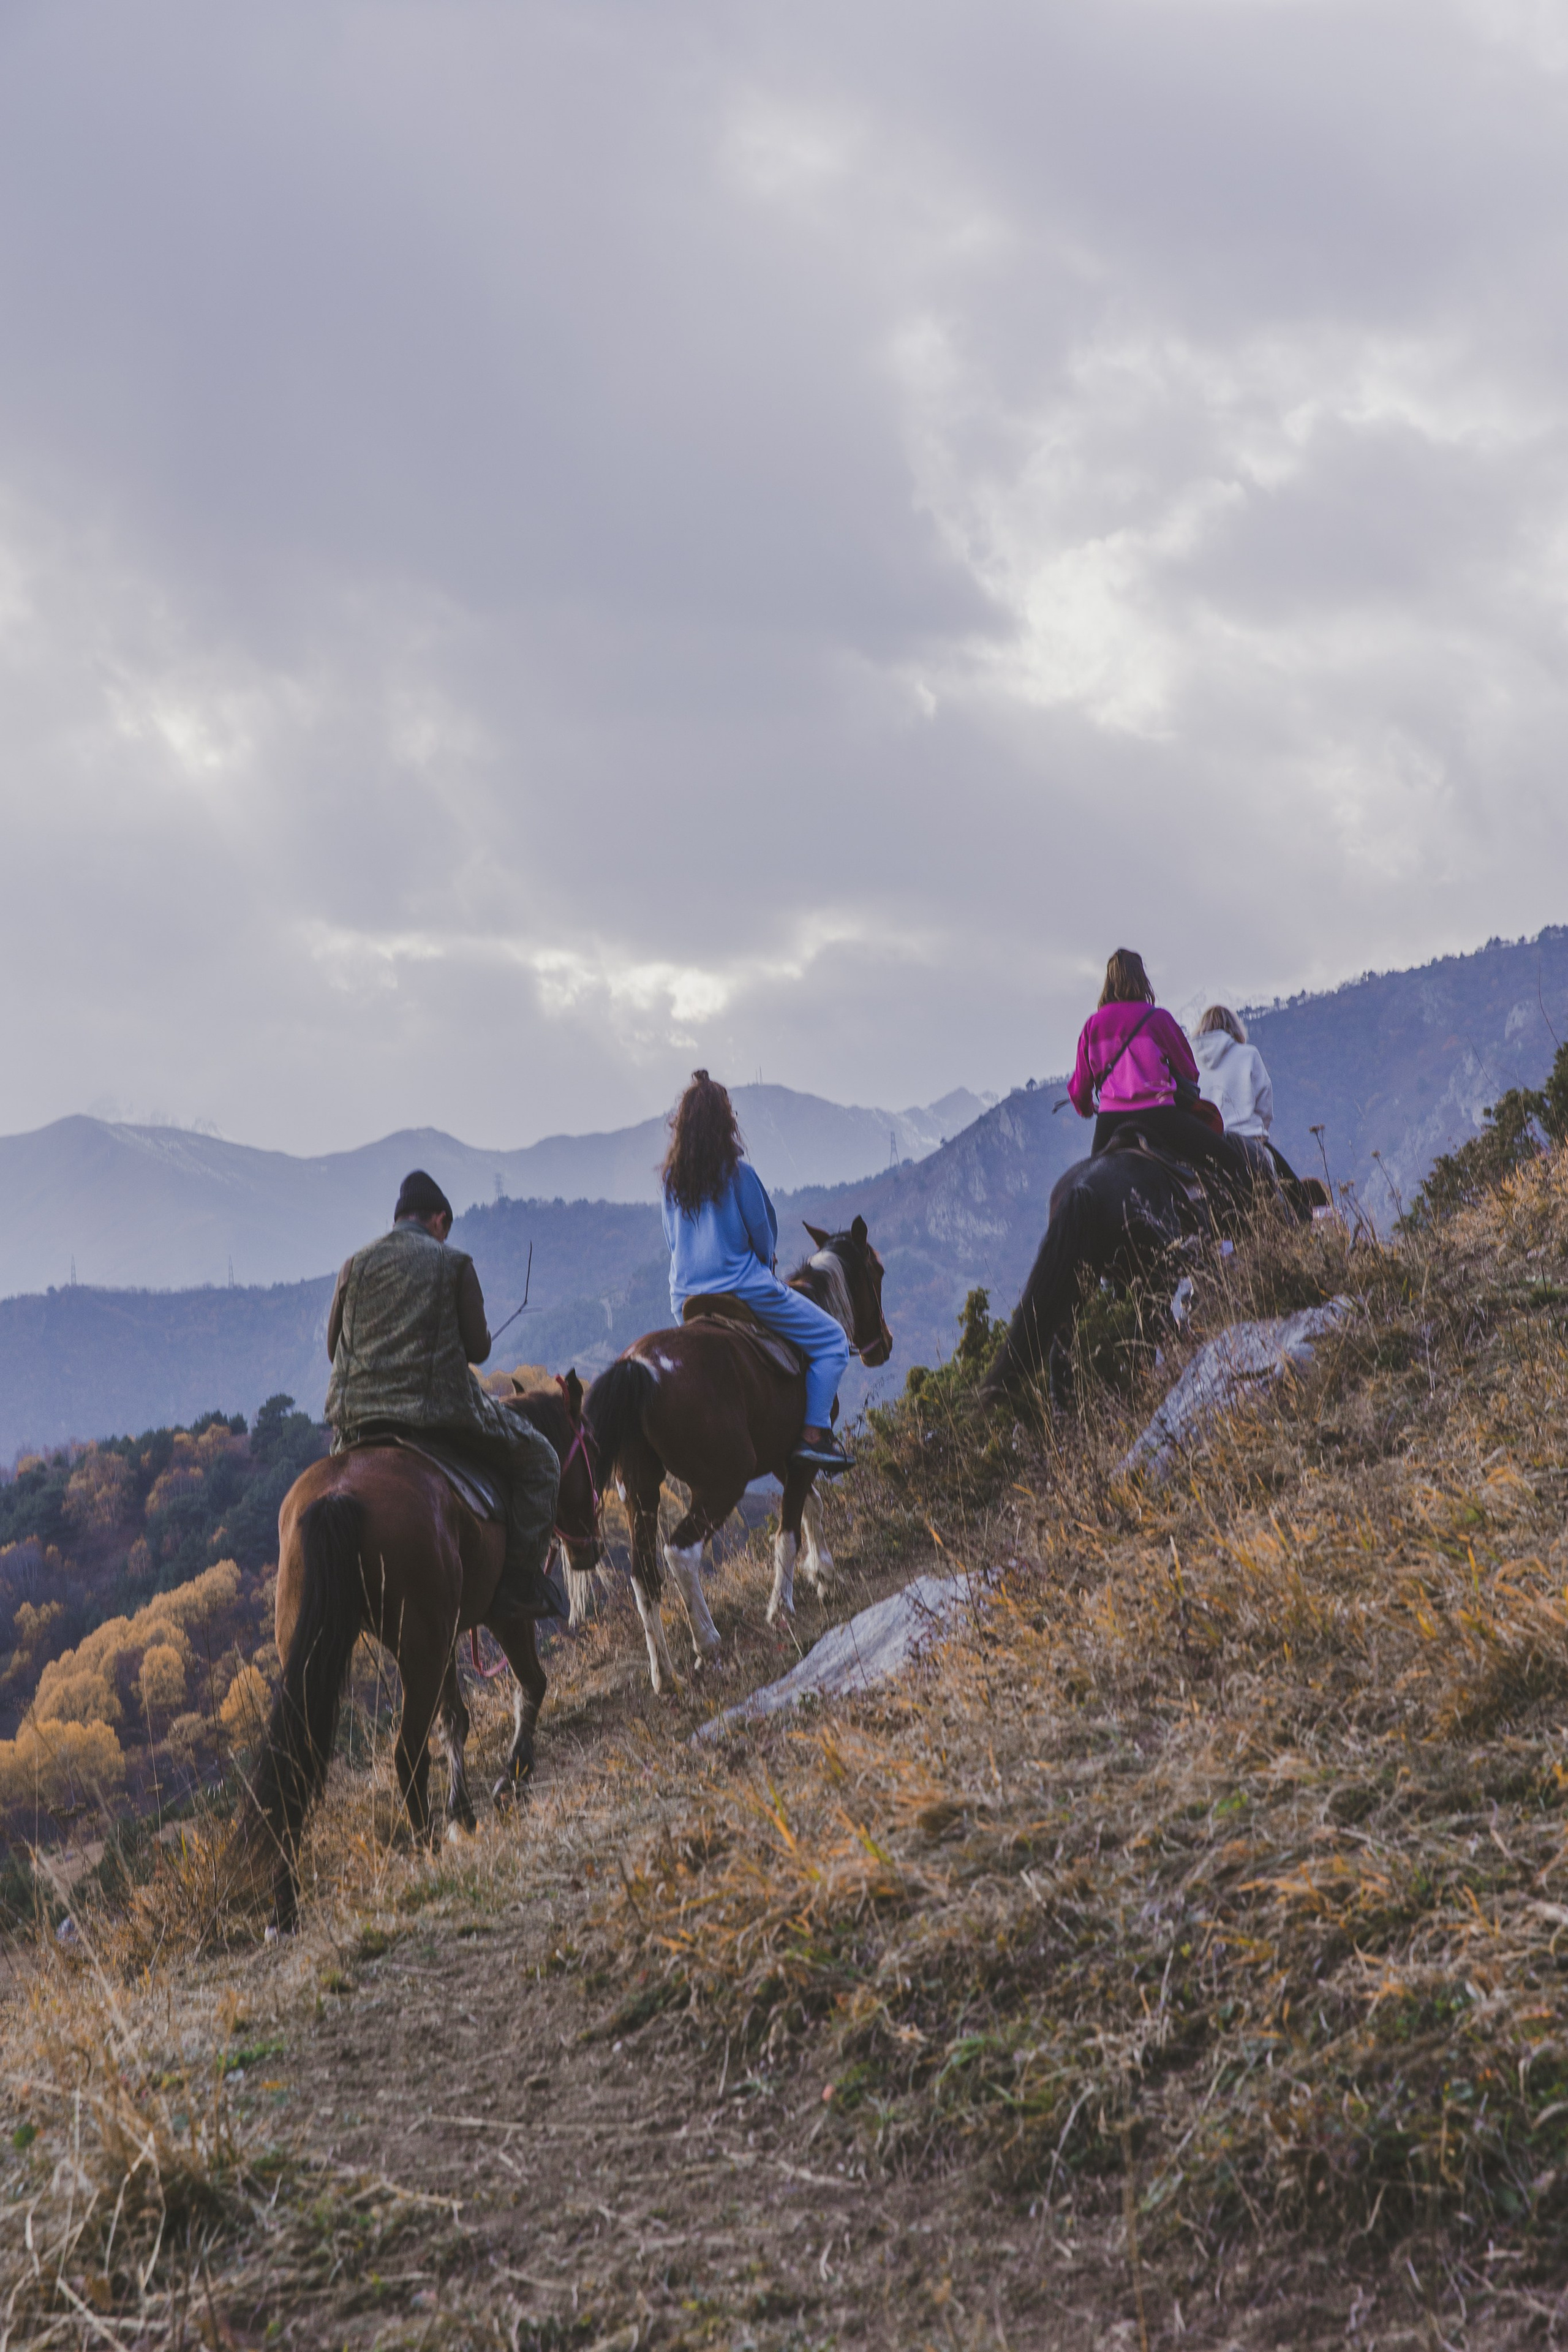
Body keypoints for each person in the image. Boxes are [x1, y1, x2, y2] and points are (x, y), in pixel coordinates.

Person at [325, 1170, 564, 1619]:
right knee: (542, 1462)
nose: (444, 1236)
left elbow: (332, 1348)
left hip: (355, 1421)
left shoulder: (353, 1266)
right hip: (439, 1414)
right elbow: (478, 1349)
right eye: (445, 1229)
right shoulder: (454, 1263)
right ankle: (518, 1585)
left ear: (399, 1219)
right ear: (439, 1220)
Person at [661, 1071, 853, 1472]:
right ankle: (814, 1435)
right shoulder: (740, 1174)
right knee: (833, 1341)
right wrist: (765, 1267)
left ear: (682, 1126)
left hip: (685, 1300)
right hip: (743, 1290)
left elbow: (673, 1243)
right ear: (725, 1121)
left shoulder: (671, 1181)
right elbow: (764, 1235)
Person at [1068, 949, 1250, 1189]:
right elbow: (1189, 1072)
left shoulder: (1093, 1025)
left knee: (1090, 1188)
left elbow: (1080, 1089)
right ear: (1142, 979)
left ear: (1108, 982)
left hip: (1110, 1122)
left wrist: (1087, 1108)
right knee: (1232, 1162)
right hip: (1159, 1116)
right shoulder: (1159, 1020)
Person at [1191, 1005, 1273, 1136]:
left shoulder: (1189, 1058)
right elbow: (1264, 1105)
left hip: (1202, 1138)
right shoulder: (1249, 1055)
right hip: (1246, 1138)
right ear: (1235, 1027)